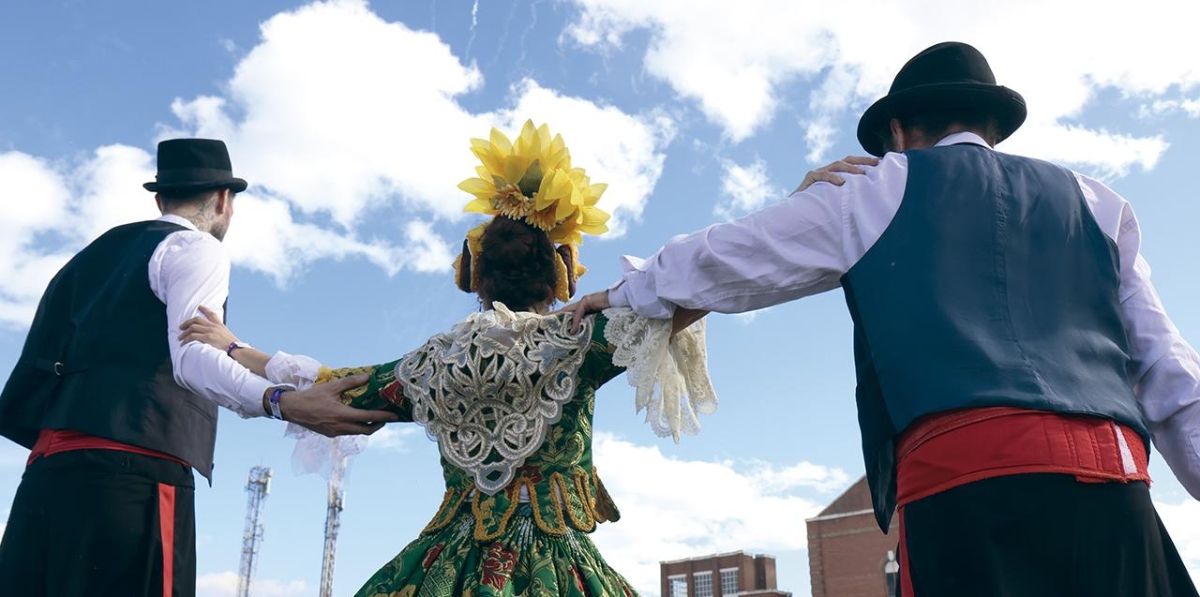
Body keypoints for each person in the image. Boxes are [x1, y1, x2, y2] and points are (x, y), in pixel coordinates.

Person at [565, 42, 1200, 596]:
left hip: (965, 482)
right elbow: (1169, 370)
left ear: (898, 130)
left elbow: (735, 255)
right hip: (1114, 479)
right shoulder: (1098, 202)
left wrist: (625, 292)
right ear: (995, 128)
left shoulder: (876, 187)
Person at [179, 121, 714, 597]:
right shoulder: (578, 340)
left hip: (446, 561)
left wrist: (232, 346)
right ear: (560, 274)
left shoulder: (435, 363)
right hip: (557, 563)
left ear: (475, 275)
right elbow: (688, 296)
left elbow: (335, 383)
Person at [0, 138, 399, 597]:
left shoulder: (82, 262)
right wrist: (283, 402)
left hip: (46, 476)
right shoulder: (195, 247)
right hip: (133, 478)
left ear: (159, 198)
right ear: (224, 201)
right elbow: (191, 358)